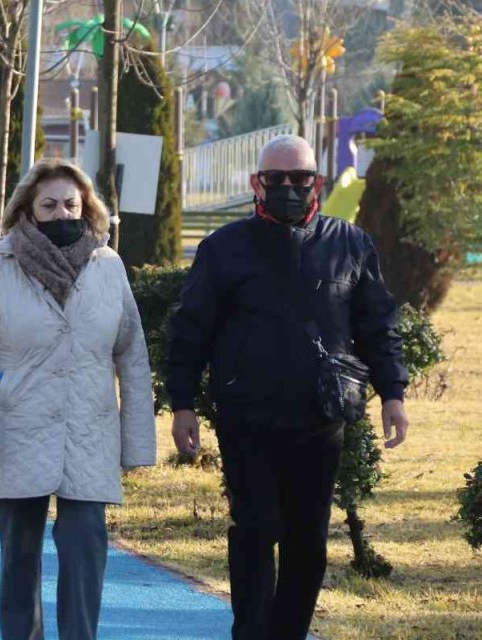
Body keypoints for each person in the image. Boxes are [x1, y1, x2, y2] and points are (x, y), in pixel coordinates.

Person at [166, 134, 409, 640]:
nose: (289, 188)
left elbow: (377, 326)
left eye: (299, 178)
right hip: (246, 419)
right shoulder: (222, 249)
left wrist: (393, 394)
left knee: (308, 541)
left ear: (317, 181)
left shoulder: (351, 244)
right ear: (256, 183)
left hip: (320, 420)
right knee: (254, 534)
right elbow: (190, 331)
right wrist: (182, 403)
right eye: (275, 179)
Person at [0, 158, 156, 640]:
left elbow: (132, 354)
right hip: (17, 428)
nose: (62, 213)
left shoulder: (109, 265)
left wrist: (138, 443)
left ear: (86, 208)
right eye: (50, 205)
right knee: (19, 557)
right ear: (28, 210)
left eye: (70, 204)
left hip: (88, 432)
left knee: (86, 549)